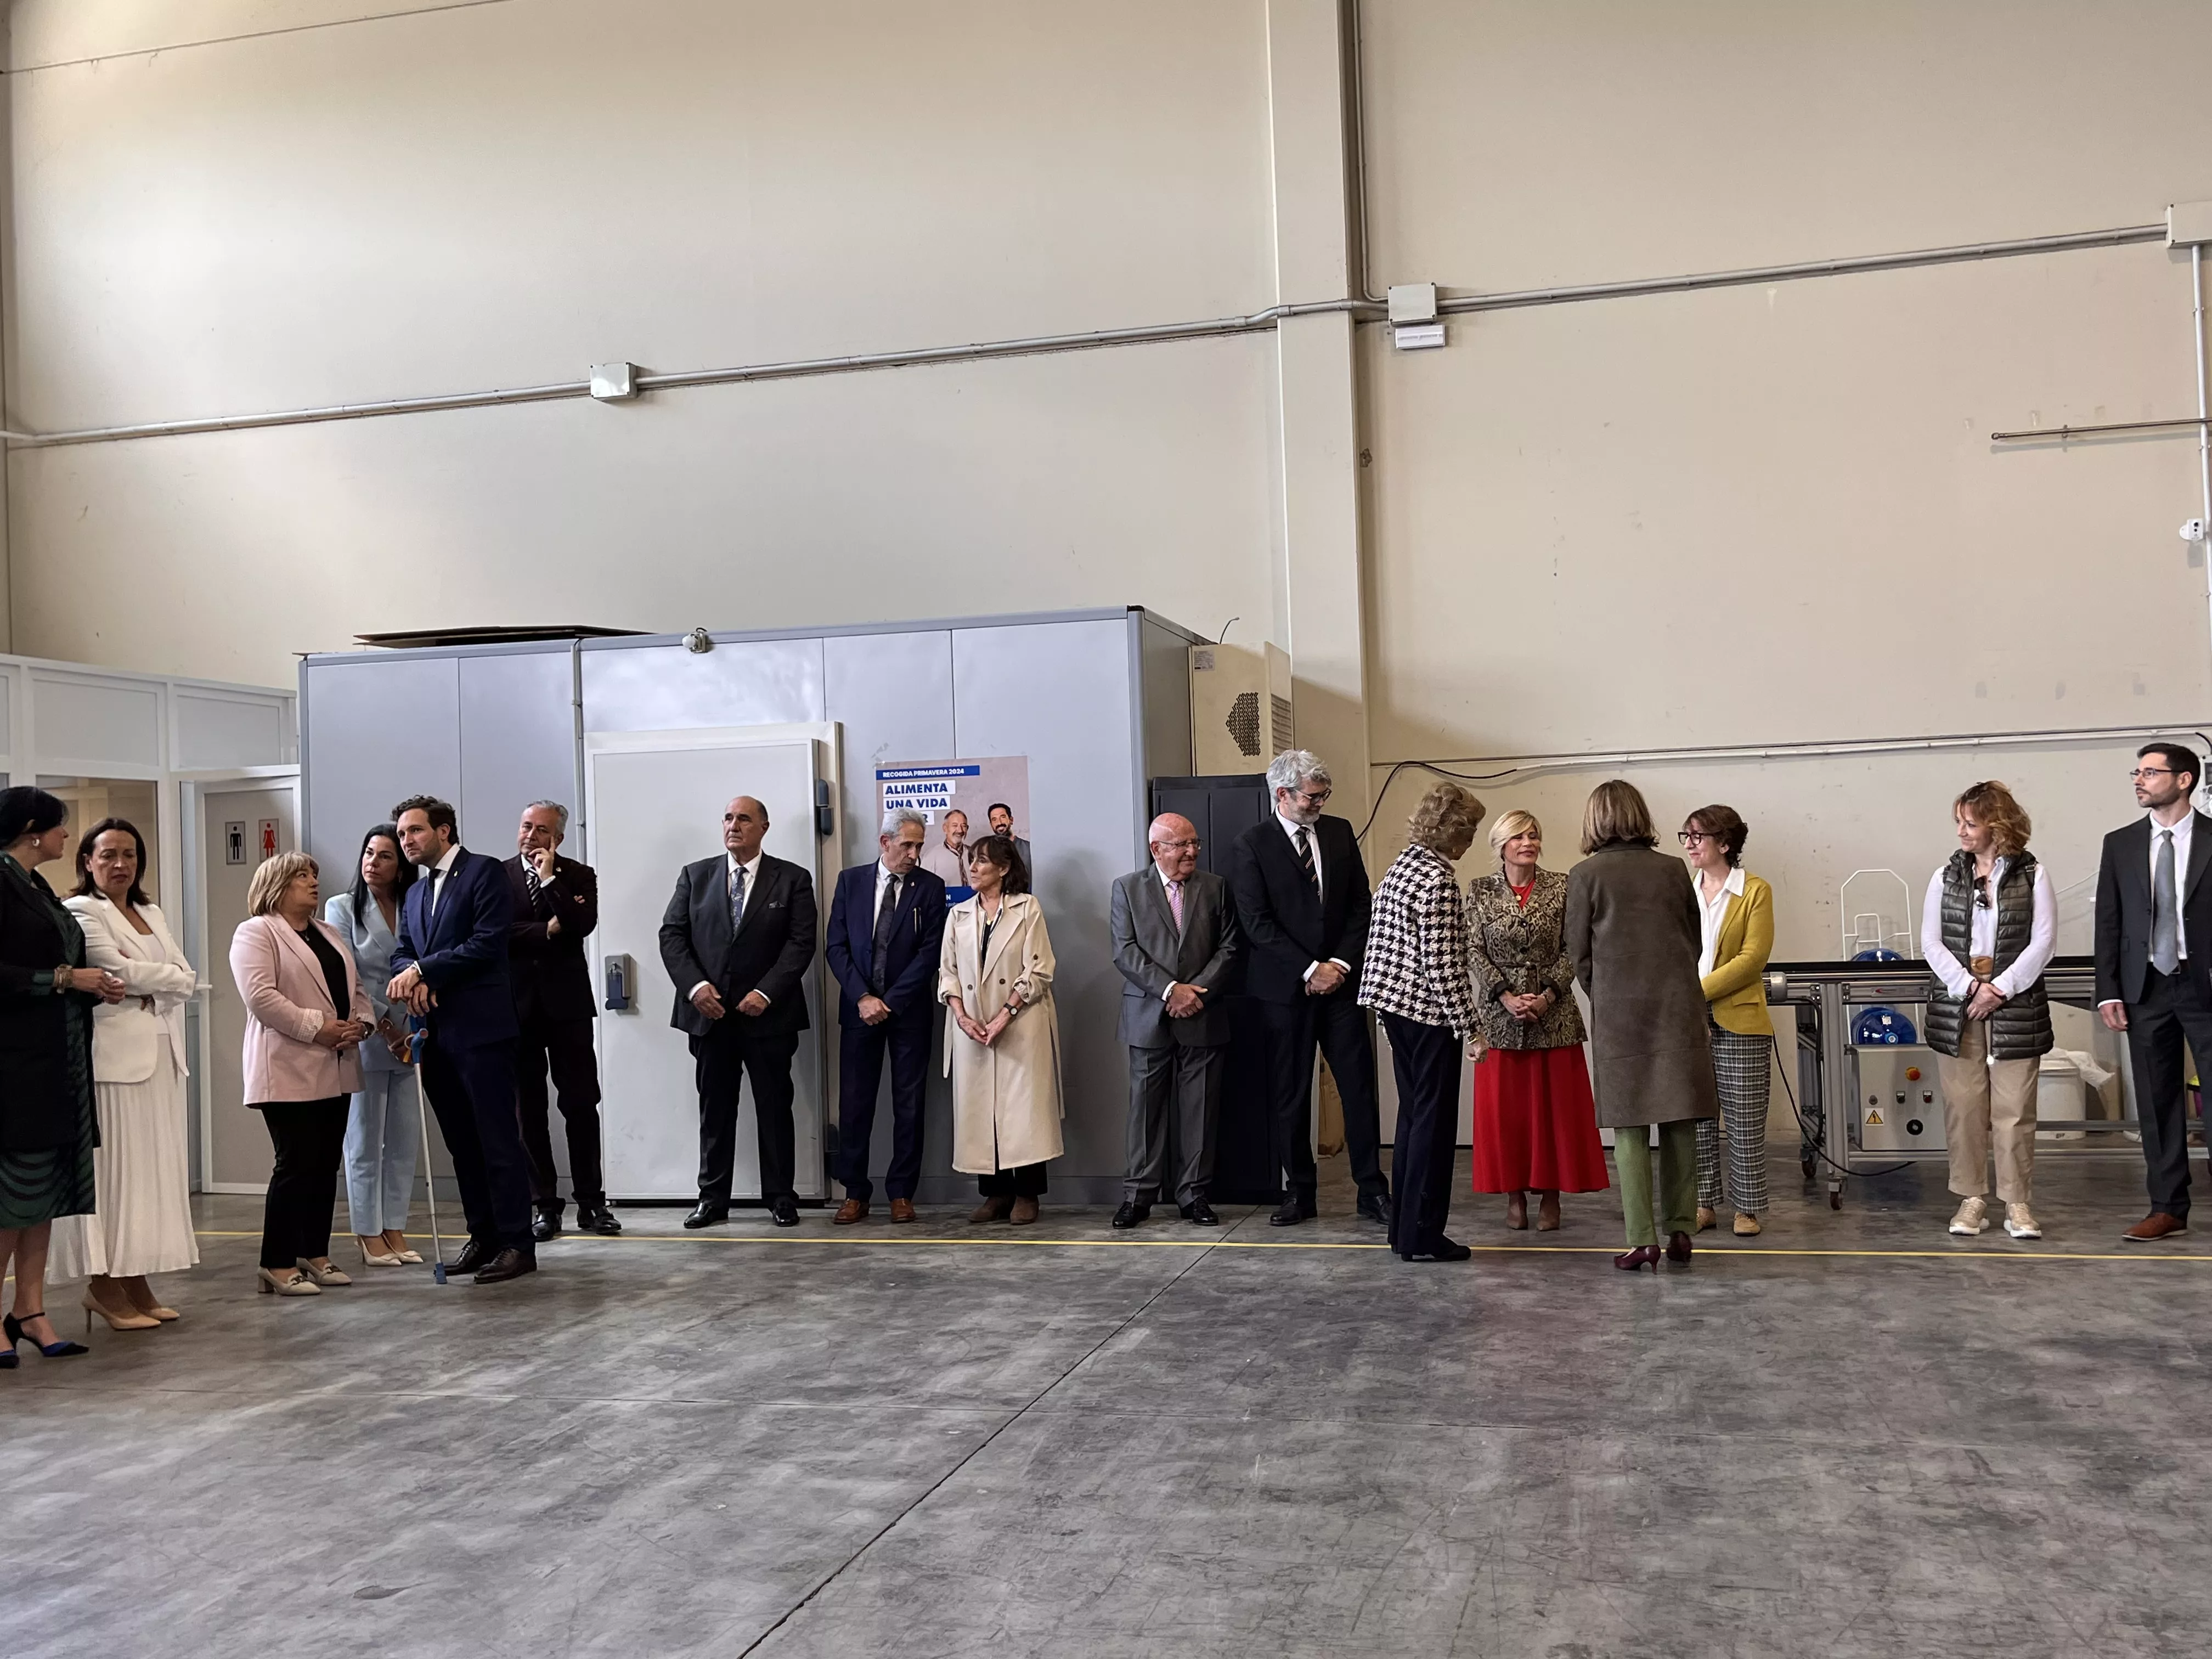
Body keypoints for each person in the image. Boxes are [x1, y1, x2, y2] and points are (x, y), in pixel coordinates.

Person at [1226, 749, 1390, 1227]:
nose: (1320, 803)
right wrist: (1308, 969)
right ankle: (1300, 1192)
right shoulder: (1251, 845)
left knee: (1359, 1088)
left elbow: (1362, 905)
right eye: (1312, 796)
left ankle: (1372, 1191)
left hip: (1341, 986)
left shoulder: (1338, 832)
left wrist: (1337, 963)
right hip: (1284, 991)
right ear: (1282, 795)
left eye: (1324, 795)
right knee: (1291, 1093)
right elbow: (1256, 923)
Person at [52, 817, 201, 1329]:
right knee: (115, 1177)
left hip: (161, 1056)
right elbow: (116, 971)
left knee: (150, 1176)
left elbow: (183, 972)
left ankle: (135, 1277)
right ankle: (103, 1284)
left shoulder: (149, 910)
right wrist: (170, 983)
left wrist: (161, 984)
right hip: (113, 1064)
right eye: (108, 854)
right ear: (88, 861)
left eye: (130, 855)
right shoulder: (80, 911)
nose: (120, 864)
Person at [1566, 780, 1721, 1271]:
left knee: (1630, 1126)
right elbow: (1694, 941)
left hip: (1620, 1014)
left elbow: (1578, 955)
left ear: (1595, 820)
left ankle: (1642, 1239)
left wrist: (1607, 994)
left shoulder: (1585, 874)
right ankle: (1681, 1230)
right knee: (1679, 1119)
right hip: (1677, 1006)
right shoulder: (1674, 869)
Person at [389, 795, 537, 1283]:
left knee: (497, 1140)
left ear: (445, 831)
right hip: (434, 1033)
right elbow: (403, 950)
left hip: (482, 1029)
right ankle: (484, 1236)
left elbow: (487, 941)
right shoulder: (413, 893)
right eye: (403, 834)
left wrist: (422, 972)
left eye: (415, 831)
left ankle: (518, 1242)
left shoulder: (484, 872)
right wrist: (411, 977)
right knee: (462, 1144)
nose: (406, 841)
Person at [659, 794, 819, 1229]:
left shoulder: (793, 879)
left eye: (744, 819)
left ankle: (781, 1197)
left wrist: (766, 993)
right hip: (709, 1018)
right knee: (715, 1110)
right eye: (728, 817)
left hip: (768, 1017)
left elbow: (801, 943)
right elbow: (672, 936)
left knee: (773, 1107)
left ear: (764, 827)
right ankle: (712, 1199)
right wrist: (695, 988)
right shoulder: (696, 876)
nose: (733, 825)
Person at [0, 787, 120, 1361]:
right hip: (13, 1066)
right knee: (10, 1198)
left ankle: (30, 1311)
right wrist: (67, 979)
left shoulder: (36, 886)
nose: (67, 837)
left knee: (43, 1197)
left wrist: (93, 984)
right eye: (61, 827)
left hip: (55, 1059)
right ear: (32, 829)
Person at [229, 851, 371, 1297]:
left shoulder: (327, 933)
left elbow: (358, 988)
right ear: (276, 885)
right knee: (295, 1163)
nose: (313, 883)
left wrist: (360, 1024)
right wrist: (319, 1028)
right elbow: (261, 997)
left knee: (326, 1163)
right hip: (287, 1066)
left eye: (314, 875)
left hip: (337, 1063)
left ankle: (315, 1252)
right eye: (301, 877)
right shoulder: (257, 932)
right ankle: (276, 1261)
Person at [1923, 780, 2055, 1242]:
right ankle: (1971, 1198)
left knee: (2015, 1108)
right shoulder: (1945, 877)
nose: (1961, 831)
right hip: (1958, 1006)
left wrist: (1998, 989)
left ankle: (2017, 1203)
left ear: (1997, 826)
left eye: (1970, 822)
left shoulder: (2034, 875)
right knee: (1964, 1106)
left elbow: (2043, 942)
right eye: (1958, 821)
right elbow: (1932, 942)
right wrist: (1966, 987)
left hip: (2015, 1005)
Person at [1358, 783, 1483, 1262]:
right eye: (1468, 830)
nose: (1469, 841)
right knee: (1433, 1127)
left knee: (1412, 1121)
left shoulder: (1401, 868)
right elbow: (1444, 965)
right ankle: (1425, 1234)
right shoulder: (1437, 881)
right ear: (1454, 830)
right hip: (1429, 1015)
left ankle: (1403, 1233)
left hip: (1394, 1008)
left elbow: (1380, 947)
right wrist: (1470, 1028)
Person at [1466, 810, 1606, 1232]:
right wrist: (1506, 997)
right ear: (1501, 845)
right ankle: (1513, 1197)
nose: (1528, 842)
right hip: (1499, 1017)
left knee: (1555, 1113)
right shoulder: (1479, 890)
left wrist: (1546, 996)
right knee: (1507, 1116)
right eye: (1519, 836)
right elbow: (1473, 949)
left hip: (1555, 1014)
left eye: (1534, 835)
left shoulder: (1564, 886)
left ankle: (1551, 1197)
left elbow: (1575, 946)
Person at [2096, 743, 2212, 1242]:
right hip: (2146, 988)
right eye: (2136, 772)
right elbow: (2109, 922)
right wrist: (2108, 991)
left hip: (2205, 984)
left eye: (2150, 772)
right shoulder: (2120, 843)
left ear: (2184, 780)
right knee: (2156, 1100)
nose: (2139, 780)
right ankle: (2167, 1207)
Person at [1109, 812, 1240, 1228]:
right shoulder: (1127, 889)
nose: (1192, 851)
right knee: (1143, 1112)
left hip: (1202, 1013)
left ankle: (1195, 1196)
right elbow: (1125, 951)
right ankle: (1137, 1197)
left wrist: (1195, 992)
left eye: (1195, 842)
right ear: (1156, 849)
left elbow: (1230, 947)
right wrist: (1171, 991)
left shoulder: (1216, 887)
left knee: (1200, 1110)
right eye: (1182, 844)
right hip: (1149, 1015)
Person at [824, 808, 947, 1224]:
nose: (914, 853)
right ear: (885, 843)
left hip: (908, 1012)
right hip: (859, 1011)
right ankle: (854, 1192)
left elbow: (930, 953)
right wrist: (862, 996)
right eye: (907, 845)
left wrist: (889, 1000)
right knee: (855, 1104)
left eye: (918, 845)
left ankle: (901, 1193)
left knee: (909, 1105)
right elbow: (835, 947)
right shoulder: (851, 882)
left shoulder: (930, 887)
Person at [506, 800, 617, 1242]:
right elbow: (496, 932)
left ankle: (592, 1202)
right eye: (526, 826)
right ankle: (544, 1205)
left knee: (580, 1104)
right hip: (518, 1009)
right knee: (528, 1110)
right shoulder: (499, 876)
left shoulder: (578, 875)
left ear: (559, 837)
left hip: (567, 1007)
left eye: (541, 830)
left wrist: (550, 880)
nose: (531, 836)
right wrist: (545, 931)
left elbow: (581, 923)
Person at [940, 834, 1062, 1223]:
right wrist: (962, 1017)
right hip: (971, 1028)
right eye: (972, 861)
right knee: (980, 1110)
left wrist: (1004, 1016)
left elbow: (1040, 969)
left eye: (981, 862)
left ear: (1004, 869)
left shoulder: (1028, 909)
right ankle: (995, 1195)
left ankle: (1027, 1194)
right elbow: (948, 974)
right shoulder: (958, 915)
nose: (973, 868)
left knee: (1023, 1111)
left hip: (1021, 1024)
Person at [324, 825, 423, 1267]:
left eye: (384, 856)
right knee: (364, 1140)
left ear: (400, 866)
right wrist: (386, 1023)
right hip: (370, 1032)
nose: (373, 863)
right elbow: (350, 974)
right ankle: (368, 1232)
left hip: (413, 1032)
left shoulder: (412, 904)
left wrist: (412, 1022)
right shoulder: (342, 907)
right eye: (368, 853)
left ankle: (395, 1227)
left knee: (403, 1140)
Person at [1681, 805, 1776, 1239]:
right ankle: (1703, 1203)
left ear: (1725, 843)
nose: (1689, 844)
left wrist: (1695, 993)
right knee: (1697, 1118)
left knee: (1744, 1119)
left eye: (1698, 836)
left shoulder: (1755, 890)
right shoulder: (1683, 890)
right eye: (1687, 835)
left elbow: (1752, 959)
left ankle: (1748, 1208)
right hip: (1687, 1020)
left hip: (1739, 1019)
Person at [919, 808, 972, 892]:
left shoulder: (975, 854)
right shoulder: (931, 857)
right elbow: (923, 889)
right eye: (955, 826)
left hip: (973, 903)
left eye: (964, 826)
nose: (960, 830)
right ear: (945, 829)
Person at [985, 803, 1033, 878]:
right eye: (994, 820)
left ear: (1011, 820)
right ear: (991, 825)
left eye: (1003, 817)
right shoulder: (986, 852)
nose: (1000, 823)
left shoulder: (1029, 849)